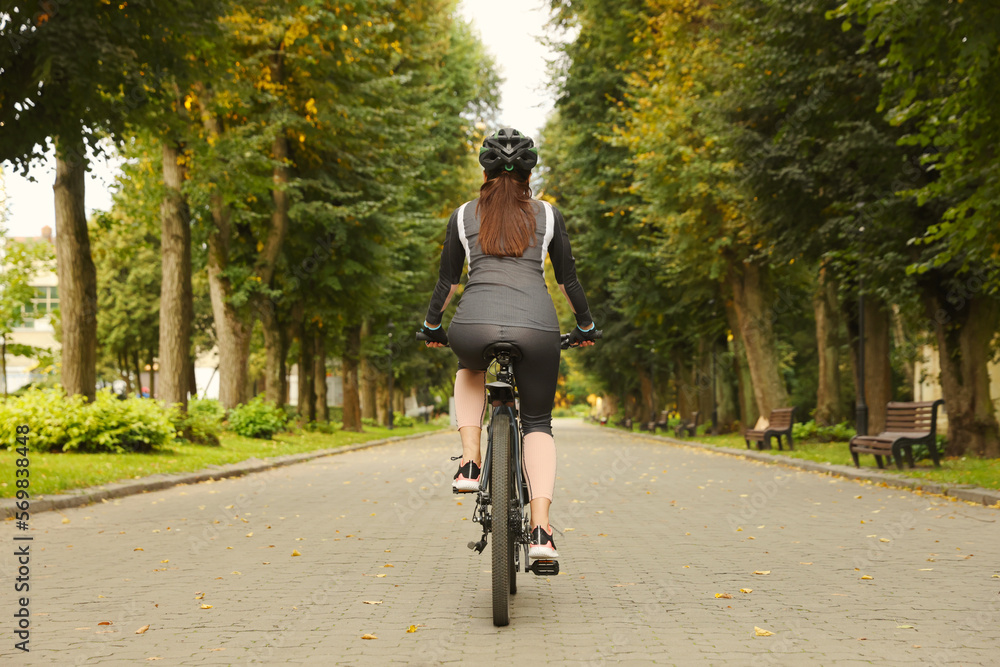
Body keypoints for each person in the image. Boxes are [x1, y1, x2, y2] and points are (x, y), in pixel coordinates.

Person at [419, 127, 598, 560]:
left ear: (485, 170)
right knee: (537, 423)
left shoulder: (463, 216)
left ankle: (469, 461)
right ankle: (540, 531)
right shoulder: (548, 215)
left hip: (472, 327)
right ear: (528, 172)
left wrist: (431, 326)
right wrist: (587, 325)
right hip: (537, 329)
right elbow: (568, 279)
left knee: (469, 368)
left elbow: (447, 281)